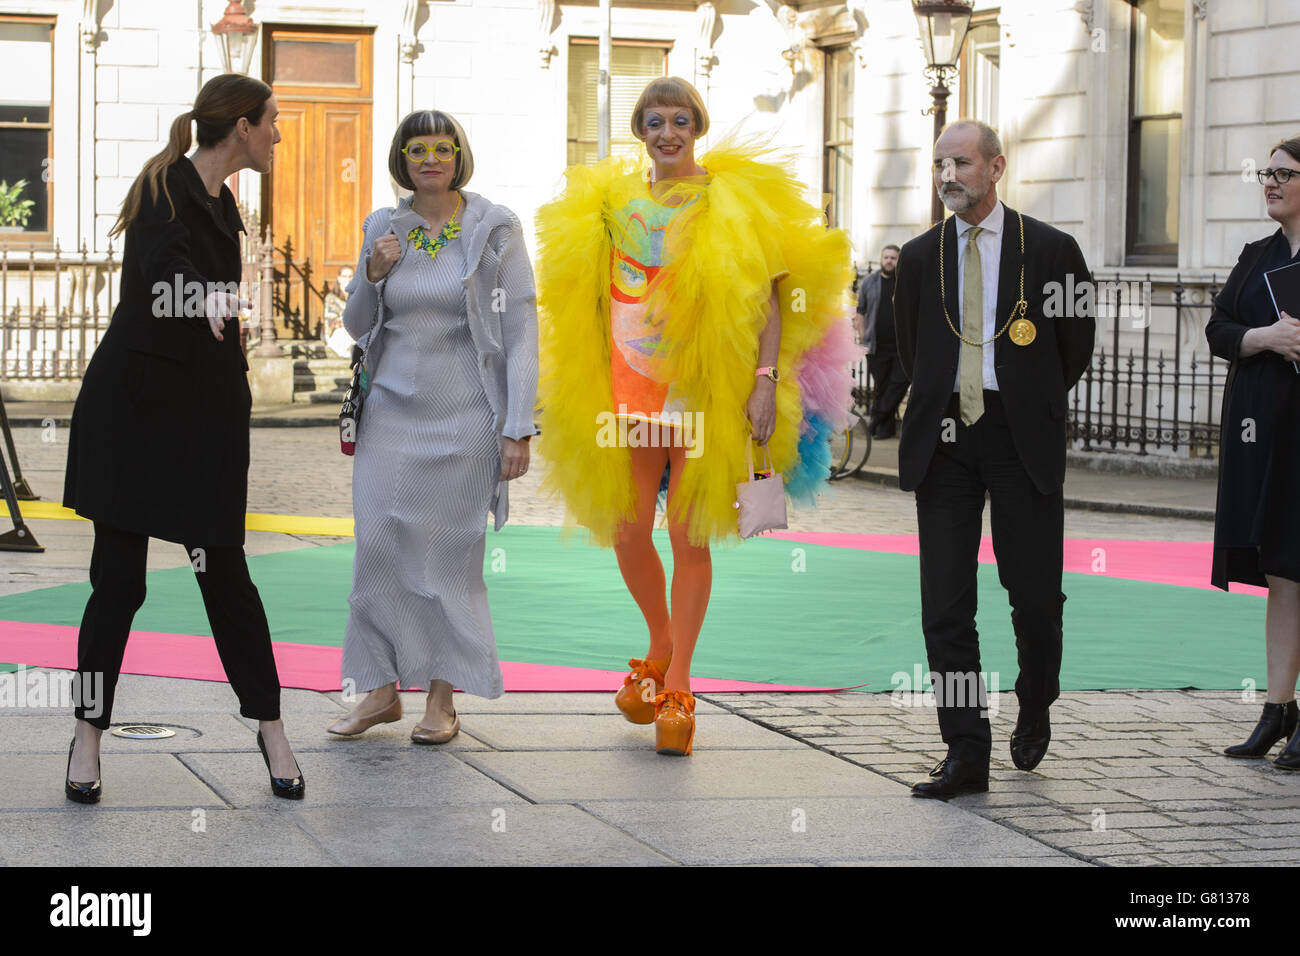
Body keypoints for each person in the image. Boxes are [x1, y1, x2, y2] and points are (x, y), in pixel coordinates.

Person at [535, 77, 854, 756]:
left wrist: (765, 383)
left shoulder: (728, 196)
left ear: (697, 126)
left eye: (680, 120)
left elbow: (772, 300)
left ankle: (678, 686)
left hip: (704, 391)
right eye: (655, 121)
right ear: (640, 130)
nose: (668, 133)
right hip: (628, 389)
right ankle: (659, 643)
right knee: (625, 528)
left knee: (687, 535)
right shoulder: (613, 201)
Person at [62, 74, 304, 801]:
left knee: (225, 575)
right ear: (240, 127)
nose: (278, 136)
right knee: (120, 584)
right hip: (135, 417)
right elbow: (159, 275)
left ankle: (271, 727)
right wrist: (207, 298)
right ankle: (86, 736)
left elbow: (206, 296)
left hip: (201, 422)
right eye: (272, 123)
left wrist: (220, 309)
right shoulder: (167, 189)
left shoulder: (225, 202)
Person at [893, 120, 1095, 799]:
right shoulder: (921, 257)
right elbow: (910, 345)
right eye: (941, 164)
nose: (949, 175)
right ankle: (965, 751)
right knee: (944, 606)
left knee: (1035, 596)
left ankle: (1036, 698)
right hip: (945, 438)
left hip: (1018, 437)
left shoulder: (1054, 250)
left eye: (963, 163)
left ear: (997, 167)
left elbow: (1075, 347)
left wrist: (1029, 400)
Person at [326, 110, 537, 744]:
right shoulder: (382, 226)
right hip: (390, 413)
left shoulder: (494, 230)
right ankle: (380, 690)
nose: (431, 159)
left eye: (443, 148)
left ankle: (442, 698)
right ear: (403, 159)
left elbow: (523, 330)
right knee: (377, 548)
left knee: (447, 559)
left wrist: (518, 427)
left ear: (458, 156)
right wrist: (371, 274)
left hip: (467, 417)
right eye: (417, 149)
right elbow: (358, 326)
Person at [1207, 136, 1300, 769]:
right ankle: (1277, 708)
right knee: (1281, 569)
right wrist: (1264, 337)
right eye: (1267, 173)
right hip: (1260, 429)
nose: (1269, 182)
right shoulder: (1257, 253)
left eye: (1285, 174)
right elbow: (1218, 329)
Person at [853, 244, 908, 437]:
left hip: (902, 348)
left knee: (899, 383)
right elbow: (860, 313)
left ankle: (876, 416)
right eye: (886, 257)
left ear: (898, 260)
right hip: (876, 347)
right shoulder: (869, 282)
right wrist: (863, 338)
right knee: (884, 387)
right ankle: (886, 429)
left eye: (893, 258)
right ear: (881, 259)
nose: (889, 261)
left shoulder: (905, 281)